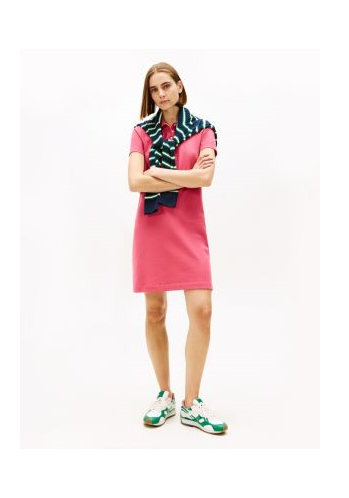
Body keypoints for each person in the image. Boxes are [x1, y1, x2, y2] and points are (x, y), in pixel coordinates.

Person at [128, 62, 227, 434]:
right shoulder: (141, 132)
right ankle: (165, 394)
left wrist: (158, 173)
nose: (161, 94)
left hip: (189, 230)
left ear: (180, 86)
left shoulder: (203, 130)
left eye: (166, 86)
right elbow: (134, 182)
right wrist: (185, 178)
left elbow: (206, 177)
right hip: (153, 230)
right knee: (155, 312)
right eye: (154, 89)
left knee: (202, 311)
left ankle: (191, 402)